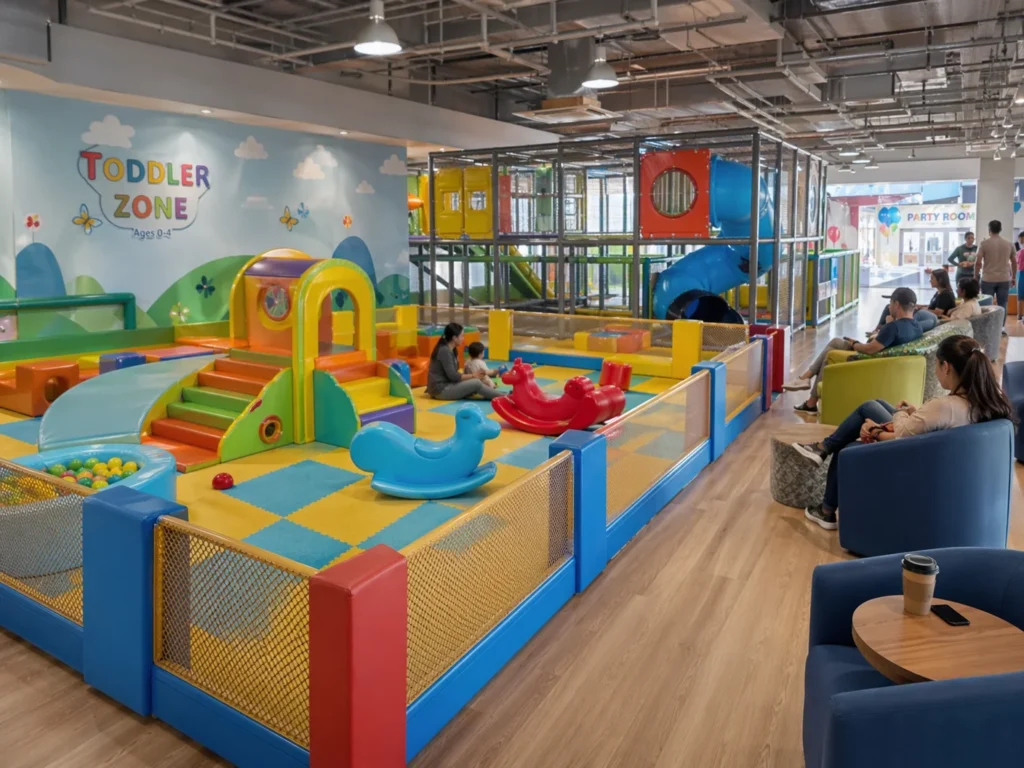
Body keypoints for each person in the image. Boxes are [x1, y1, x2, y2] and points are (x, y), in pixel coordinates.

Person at [791, 335, 1015, 530]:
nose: (936, 372)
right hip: (940, 460)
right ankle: (823, 449)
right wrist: (915, 414)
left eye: (937, 365)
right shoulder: (988, 400)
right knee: (873, 405)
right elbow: (936, 427)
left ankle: (827, 503)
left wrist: (887, 424)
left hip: (913, 460)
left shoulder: (945, 405)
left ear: (946, 367)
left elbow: (902, 435)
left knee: (847, 449)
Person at [784, 287, 922, 413]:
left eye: (891, 302)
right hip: (881, 359)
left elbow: (869, 349)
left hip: (866, 361)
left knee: (830, 355)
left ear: (897, 305)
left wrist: (855, 343)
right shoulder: (917, 327)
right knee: (836, 342)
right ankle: (806, 381)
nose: (889, 306)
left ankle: (809, 395)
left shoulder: (893, 327)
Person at [426, 323, 500, 401]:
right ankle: (504, 397)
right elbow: (453, 376)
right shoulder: (445, 351)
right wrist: (473, 375)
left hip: (448, 384)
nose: (463, 338)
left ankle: (498, 394)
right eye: (462, 336)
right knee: (476, 383)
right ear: (454, 338)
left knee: (475, 382)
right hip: (440, 389)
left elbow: (454, 374)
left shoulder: (452, 349)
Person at [868, 269, 954, 334]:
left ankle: (880, 330)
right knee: (891, 307)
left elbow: (938, 312)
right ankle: (880, 329)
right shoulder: (939, 293)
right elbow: (932, 307)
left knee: (890, 308)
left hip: (929, 317)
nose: (930, 280)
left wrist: (920, 309)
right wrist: (918, 306)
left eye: (932, 278)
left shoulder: (945, 295)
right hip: (926, 314)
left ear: (940, 280)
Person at [976, 219, 1016, 331]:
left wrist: (975, 276)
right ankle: (1001, 327)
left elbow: (978, 262)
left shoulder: (984, 244)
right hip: (1004, 278)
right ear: (1000, 230)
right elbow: (1014, 262)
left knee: (987, 303)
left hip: (988, 278)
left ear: (989, 230)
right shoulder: (1009, 244)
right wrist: (1013, 277)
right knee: (1003, 302)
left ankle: (987, 327)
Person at [1017, 232, 1024, 322]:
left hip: (1022, 272)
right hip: (1021, 272)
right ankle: (1019, 315)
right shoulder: (1020, 251)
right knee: (1020, 295)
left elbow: (1017, 262)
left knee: (1021, 295)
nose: (1020, 241)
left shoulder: (1021, 252)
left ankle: (1020, 315)